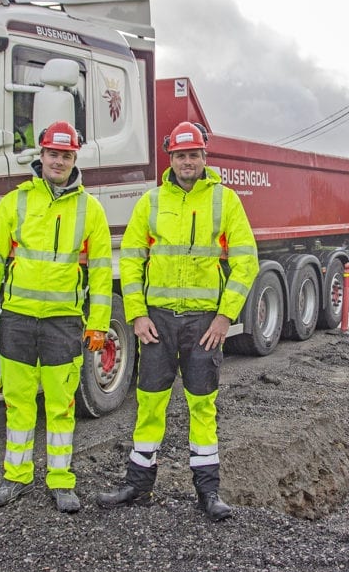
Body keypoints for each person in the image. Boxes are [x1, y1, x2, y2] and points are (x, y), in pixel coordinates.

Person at [97, 121, 259, 522]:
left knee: (202, 406)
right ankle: (138, 485)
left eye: (195, 154)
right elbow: (131, 260)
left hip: (204, 325)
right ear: (171, 159)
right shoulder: (151, 202)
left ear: (205, 157)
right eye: (181, 155)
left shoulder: (225, 201)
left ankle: (208, 492)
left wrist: (224, 318)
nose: (188, 161)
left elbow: (246, 262)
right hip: (158, 323)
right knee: (149, 404)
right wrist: (135, 315)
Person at [0, 120, 112, 513]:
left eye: (66, 155)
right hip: (17, 318)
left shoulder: (90, 209)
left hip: (63, 322)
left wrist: (99, 323)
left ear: (74, 159)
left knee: (61, 404)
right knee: (18, 403)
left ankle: (61, 480)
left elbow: (101, 273)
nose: (58, 161)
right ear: (41, 154)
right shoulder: (15, 202)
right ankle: (15, 478)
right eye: (52, 153)